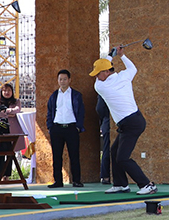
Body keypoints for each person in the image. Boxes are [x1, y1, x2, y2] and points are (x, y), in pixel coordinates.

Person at [90, 50, 157, 195]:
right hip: (131, 122)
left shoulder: (100, 86)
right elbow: (133, 69)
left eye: (98, 73)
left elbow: (98, 81)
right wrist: (121, 55)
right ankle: (120, 184)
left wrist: (110, 55)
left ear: (106, 72)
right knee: (115, 152)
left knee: (122, 157)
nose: (96, 76)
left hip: (132, 123)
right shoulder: (124, 76)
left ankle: (147, 185)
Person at [45, 70, 84, 188]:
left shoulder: (76, 95)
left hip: (71, 128)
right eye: (60, 79)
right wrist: (50, 127)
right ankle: (58, 181)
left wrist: (78, 127)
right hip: (57, 128)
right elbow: (49, 112)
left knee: (74, 155)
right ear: (58, 81)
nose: (62, 81)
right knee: (56, 156)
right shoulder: (54, 95)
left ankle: (76, 180)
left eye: (65, 79)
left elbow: (81, 112)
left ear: (69, 80)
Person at [0, 83, 27, 153]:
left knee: (13, 152)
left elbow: (17, 110)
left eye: (9, 90)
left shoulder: (16, 101)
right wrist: (11, 114)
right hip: (2, 128)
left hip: (14, 129)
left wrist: (6, 111)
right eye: (5, 90)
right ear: (1, 92)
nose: (7, 92)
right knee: (2, 151)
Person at [97, 95, 111, 184]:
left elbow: (100, 108)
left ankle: (105, 176)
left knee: (106, 149)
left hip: (107, 121)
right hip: (113, 121)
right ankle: (106, 176)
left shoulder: (103, 89)